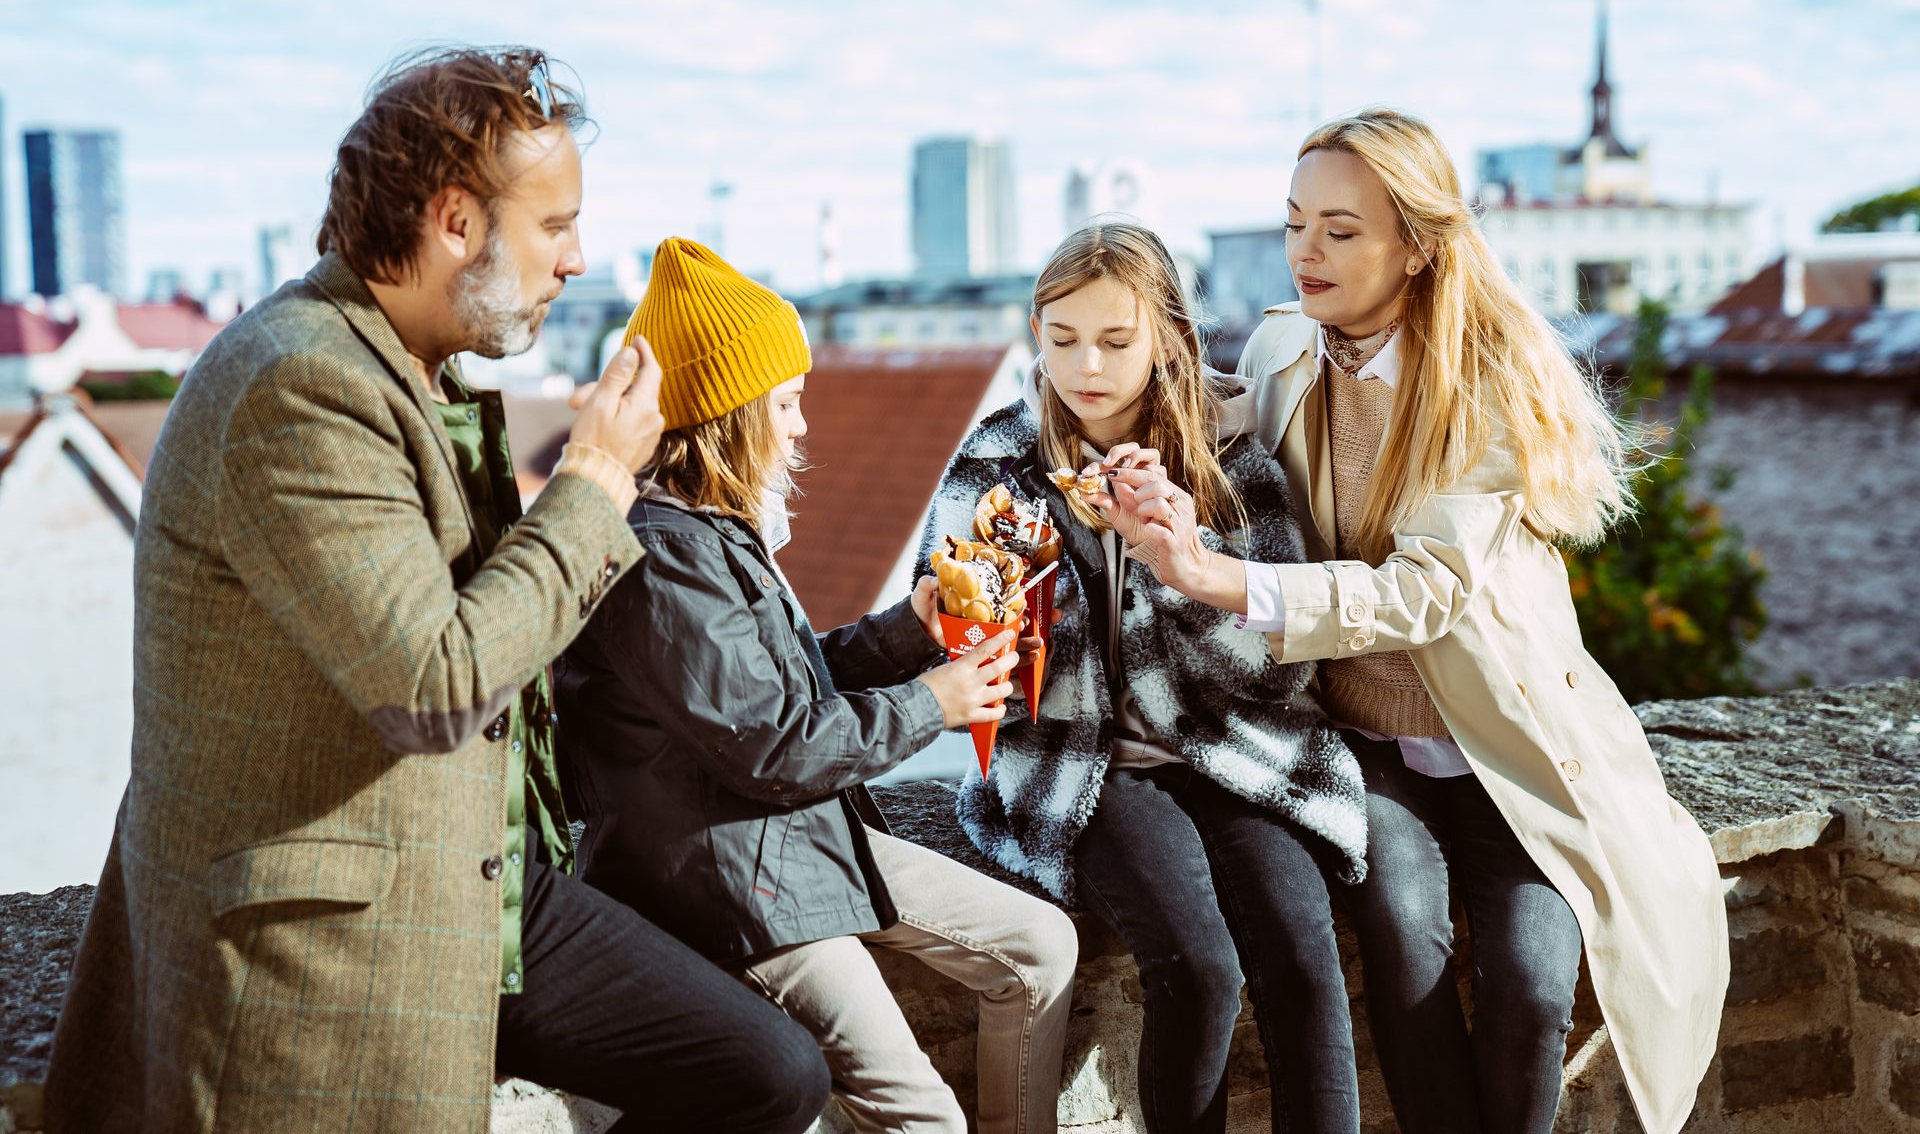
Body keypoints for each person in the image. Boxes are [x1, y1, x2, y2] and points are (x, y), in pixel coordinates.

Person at [45, 49, 829, 1134]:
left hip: (493, 885)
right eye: (554, 226)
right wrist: (598, 477)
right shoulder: (299, 381)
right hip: (332, 931)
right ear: (456, 220)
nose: (578, 258)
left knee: (769, 1071)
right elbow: (433, 682)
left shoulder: (421, 372)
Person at [1097, 109, 1729, 1134]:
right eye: (1296, 221)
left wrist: (1218, 580)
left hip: (1506, 745)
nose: (1306, 250)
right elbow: (1202, 429)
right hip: (1365, 738)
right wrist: (1115, 419)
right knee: (1403, 935)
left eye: (1341, 230)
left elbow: (1419, 592)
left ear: (1419, 244)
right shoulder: (1280, 349)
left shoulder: (1491, 381)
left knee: (1530, 983)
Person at [559, 237, 1080, 1134]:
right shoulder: (666, 553)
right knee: (921, 1119)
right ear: (731, 415)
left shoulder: (711, 528)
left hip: (793, 839)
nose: (802, 427)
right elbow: (774, 746)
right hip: (735, 875)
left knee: (1042, 948)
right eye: (788, 404)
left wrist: (904, 635)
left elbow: (780, 692)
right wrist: (937, 704)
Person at [916, 222, 1370, 1134]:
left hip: (1233, 741)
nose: (1086, 366)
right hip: (1081, 764)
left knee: (1303, 951)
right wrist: (992, 605)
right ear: (1034, 332)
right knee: (1199, 968)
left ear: (1166, 337)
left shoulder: (1228, 456)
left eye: (1117, 341)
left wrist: (1180, 566)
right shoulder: (997, 466)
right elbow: (974, 677)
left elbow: (1275, 671)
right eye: (1062, 338)